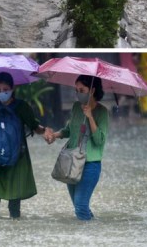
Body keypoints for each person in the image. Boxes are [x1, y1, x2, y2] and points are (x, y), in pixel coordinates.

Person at [0, 72, 48, 219]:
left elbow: (34, 126)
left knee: (14, 208)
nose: (2, 92)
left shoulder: (22, 107)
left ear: (12, 88)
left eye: (5, 89)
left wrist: (46, 133)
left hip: (17, 159)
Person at [44, 75, 109, 221]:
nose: (78, 93)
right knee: (79, 207)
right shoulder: (75, 107)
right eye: (76, 90)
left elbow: (99, 141)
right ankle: (94, 232)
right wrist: (54, 135)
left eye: (82, 90)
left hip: (90, 165)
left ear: (92, 90)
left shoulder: (102, 112)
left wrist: (90, 117)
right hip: (72, 163)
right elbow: (69, 130)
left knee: (80, 206)